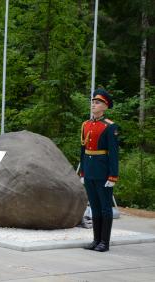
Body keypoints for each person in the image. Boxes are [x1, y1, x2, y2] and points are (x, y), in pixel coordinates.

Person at [80, 88, 119, 252]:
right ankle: (96, 240)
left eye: (97, 103)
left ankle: (105, 242)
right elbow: (82, 150)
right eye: (93, 102)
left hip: (103, 172)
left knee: (104, 207)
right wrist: (82, 171)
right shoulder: (86, 124)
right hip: (89, 171)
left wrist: (113, 175)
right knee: (94, 207)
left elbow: (113, 153)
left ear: (105, 106)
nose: (94, 105)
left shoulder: (110, 127)